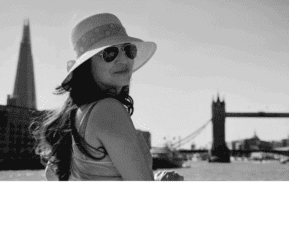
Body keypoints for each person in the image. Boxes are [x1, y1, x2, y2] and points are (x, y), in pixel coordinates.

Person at [32, 13, 184, 181]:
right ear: (87, 65)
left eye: (128, 50)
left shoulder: (77, 114)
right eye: (109, 53)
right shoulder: (109, 110)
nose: (123, 59)